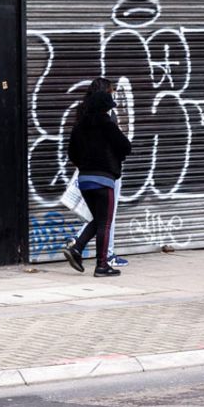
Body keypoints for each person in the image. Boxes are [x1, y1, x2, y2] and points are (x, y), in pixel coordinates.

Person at [62, 87, 132, 277]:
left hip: (84, 180)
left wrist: (84, 165)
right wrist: (112, 160)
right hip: (103, 180)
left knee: (98, 219)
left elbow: (71, 153)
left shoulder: (79, 126)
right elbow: (126, 147)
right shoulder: (107, 125)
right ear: (105, 108)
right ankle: (102, 265)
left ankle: (77, 247)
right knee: (105, 223)